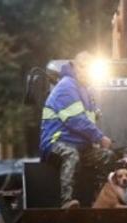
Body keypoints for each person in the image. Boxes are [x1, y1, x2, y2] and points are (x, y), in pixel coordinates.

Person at [40, 51, 114, 209]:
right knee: (70, 154)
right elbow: (76, 121)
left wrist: (98, 142)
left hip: (80, 146)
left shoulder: (87, 91)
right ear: (76, 67)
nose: (88, 73)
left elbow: (91, 119)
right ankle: (67, 201)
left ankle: (99, 200)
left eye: (90, 70)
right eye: (85, 68)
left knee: (107, 156)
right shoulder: (66, 86)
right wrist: (100, 137)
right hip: (56, 142)